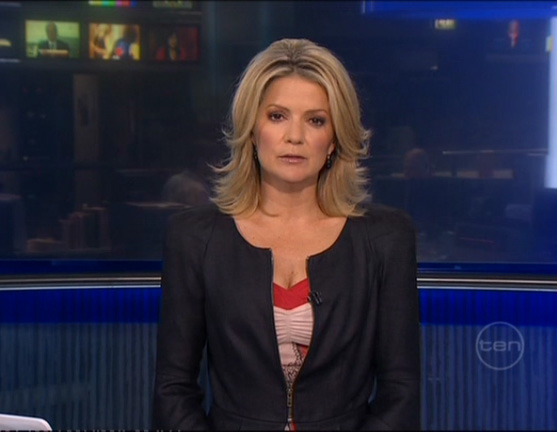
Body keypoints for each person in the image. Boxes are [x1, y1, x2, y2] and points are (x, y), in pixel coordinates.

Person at [153, 38, 420, 430]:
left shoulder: (385, 239)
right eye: (277, 116)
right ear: (251, 129)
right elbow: (173, 389)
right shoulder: (195, 238)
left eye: (316, 120)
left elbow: (401, 391)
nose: (295, 136)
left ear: (334, 139)